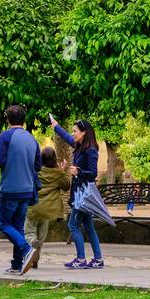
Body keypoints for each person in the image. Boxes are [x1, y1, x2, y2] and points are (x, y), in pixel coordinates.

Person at [0, 104, 41, 274]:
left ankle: (27, 250)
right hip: (27, 189)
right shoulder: (31, 139)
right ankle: (16, 264)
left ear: (7, 119)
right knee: (18, 227)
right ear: (24, 119)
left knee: (3, 223)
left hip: (11, 188)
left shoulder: (5, 137)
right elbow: (38, 165)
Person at [50, 115, 103, 269]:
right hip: (80, 193)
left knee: (73, 224)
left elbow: (93, 173)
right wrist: (56, 126)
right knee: (88, 226)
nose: (73, 133)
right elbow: (67, 138)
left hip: (83, 195)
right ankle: (98, 259)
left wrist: (78, 172)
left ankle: (81, 259)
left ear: (84, 132)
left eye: (75, 131)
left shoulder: (90, 150)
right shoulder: (80, 146)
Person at [23, 145, 70, 268]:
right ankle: (34, 261)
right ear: (54, 159)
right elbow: (66, 186)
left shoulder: (35, 171)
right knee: (41, 238)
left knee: (29, 234)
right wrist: (62, 170)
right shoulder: (57, 174)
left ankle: (32, 247)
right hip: (48, 210)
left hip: (33, 206)